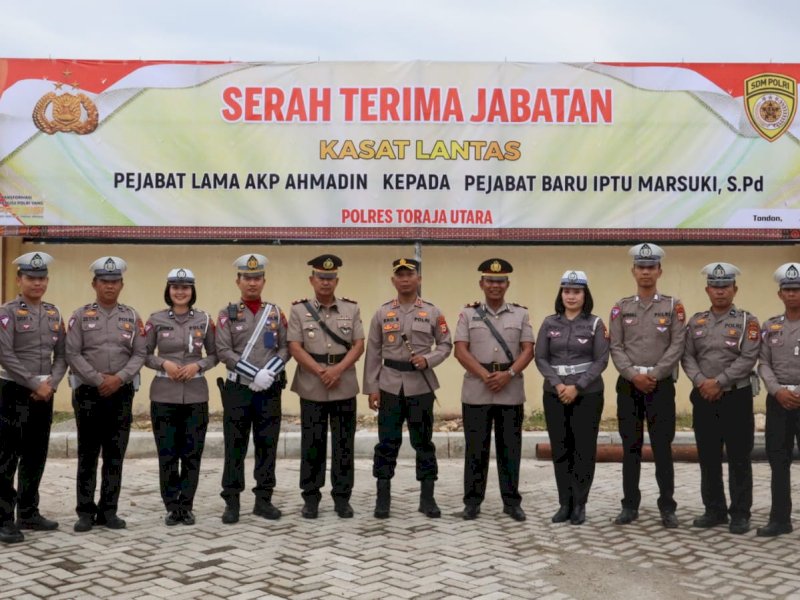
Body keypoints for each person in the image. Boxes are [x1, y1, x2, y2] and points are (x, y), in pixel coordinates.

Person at [364, 258, 452, 519]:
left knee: (423, 442)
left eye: (409, 274)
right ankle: (383, 499)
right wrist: (372, 388)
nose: (404, 279)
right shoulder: (382, 313)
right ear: (393, 280)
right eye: (399, 275)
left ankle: (427, 498)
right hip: (390, 384)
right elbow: (373, 352)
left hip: (420, 386)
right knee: (387, 443)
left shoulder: (433, 312)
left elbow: (446, 345)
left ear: (419, 279)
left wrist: (429, 359)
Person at [65, 256, 146, 533]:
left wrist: (120, 378)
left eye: (114, 282)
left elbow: (140, 353)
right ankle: (85, 512)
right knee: (87, 454)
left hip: (121, 394)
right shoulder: (79, 315)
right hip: (89, 392)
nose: (109, 287)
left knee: (115, 454)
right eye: (104, 282)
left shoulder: (132, 316)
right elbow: (72, 353)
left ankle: (109, 510)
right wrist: (99, 379)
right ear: (94, 284)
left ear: (121, 284)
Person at [609, 243, 686, 528]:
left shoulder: (673, 306)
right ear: (633, 271)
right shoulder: (621, 307)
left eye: (650, 267)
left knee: (663, 447)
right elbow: (615, 346)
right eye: (641, 267)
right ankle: (630, 505)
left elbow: (677, 344)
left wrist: (654, 374)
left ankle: (668, 506)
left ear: (659, 271)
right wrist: (633, 375)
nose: (645, 272)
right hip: (629, 385)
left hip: (660, 385)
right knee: (631, 446)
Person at [454, 258, 534, 522]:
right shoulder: (468, 314)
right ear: (481, 283)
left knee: (510, 449)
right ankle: (472, 502)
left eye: (500, 281)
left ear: (507, 284)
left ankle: (511, 502)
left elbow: (528, 350)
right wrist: (486, 375)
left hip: (509, 389)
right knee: (476, 449)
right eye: (490, 280)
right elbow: (460, 350)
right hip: (478, 388)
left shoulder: (520, 314)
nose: (495, 285)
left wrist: (509, 374)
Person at [681, 263, 759, 535]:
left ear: (734, 289)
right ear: (707, 289)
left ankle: (740, 513)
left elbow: (749, 357)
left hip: (736, 396)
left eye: (725, 286)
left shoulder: (748, 321)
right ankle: (714, 509)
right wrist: (702, 382)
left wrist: (719, 382)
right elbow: (687, 356)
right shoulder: (696, 321)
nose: (720, 291)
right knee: (709, 456)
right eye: (715, 286)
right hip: (704, 397)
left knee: (739, 456)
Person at [287, 254, 364, 519]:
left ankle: (342, 498)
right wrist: (321, 371)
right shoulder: (298, 310)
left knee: (344, 444)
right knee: (313, 444)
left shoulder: (351, 309)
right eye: (321, 277)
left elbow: (358, 345)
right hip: (312, 383)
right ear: (312, 280)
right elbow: (295, 347)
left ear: (337, 280)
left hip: (343, 383)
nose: (326, 283)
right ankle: (311, 498)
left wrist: (338, 370)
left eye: (330, 278)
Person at [216, 253, 289, 524]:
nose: (252, 283)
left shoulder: (275, 312)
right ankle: (232, 501)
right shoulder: (227, 314)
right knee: (235, 446)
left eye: (257, 278)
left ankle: (263, 500)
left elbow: (285, 347)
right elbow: (223, 350)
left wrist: (269, 373)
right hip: (238, 391)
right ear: (238, 281)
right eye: (247, 277)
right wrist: (253, 374)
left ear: (264, 281)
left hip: (269, 389)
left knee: (266, 444)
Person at [0, 252, 66, 544]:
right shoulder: (8, 312)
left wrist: (52, 382)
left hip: (44, 391)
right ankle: (3, 519)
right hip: (13, 390)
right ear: (19, 280)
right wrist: (32, 383)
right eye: (31, 278)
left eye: (41, 278)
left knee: (35, 454)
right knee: (6, 456)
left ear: (47, 281)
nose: (37, 283)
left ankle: (28, 512)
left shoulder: (54, 313)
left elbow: (63, 355)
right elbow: (5, 354)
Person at [535, 270, 609, 525]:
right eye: (567, 291)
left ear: (585, 294)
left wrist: (577, 387)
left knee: (583, 450)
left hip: (587, 394)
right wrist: (557, 385)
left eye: (576, 291)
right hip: (555, 394)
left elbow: (601, 360)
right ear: (561, 293)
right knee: (561, 448)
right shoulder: (549, 323)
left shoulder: (596, 324)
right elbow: (541, 358)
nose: (571, 296)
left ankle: (580, 504)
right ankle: (564, 503)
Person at [145, 268, 218, 526]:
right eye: (175, 287)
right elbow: (143, 353)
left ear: (192, 291)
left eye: (185, 287)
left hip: (196, 396)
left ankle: (186, 505)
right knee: (167, 454)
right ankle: (171, 506)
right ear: (168, 290)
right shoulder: (155, 319)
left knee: (191, 454)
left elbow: (214, 354)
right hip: (164, 395)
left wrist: (198, 366)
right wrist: (164, 363)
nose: (180, 292)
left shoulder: (204, 319)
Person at [756, 262, 800, 537]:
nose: (792, 294)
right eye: (788, 289)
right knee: (778, 461)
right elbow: (763, 363)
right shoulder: (770, 326)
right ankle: (780, 519)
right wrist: (777, 391)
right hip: (779, 400)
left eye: (797, 289)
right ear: (780, 294)